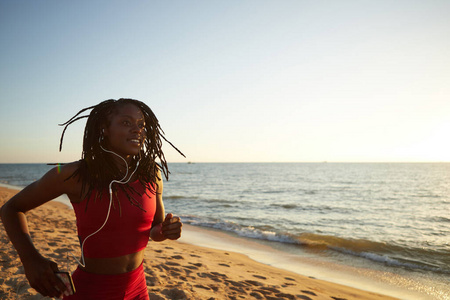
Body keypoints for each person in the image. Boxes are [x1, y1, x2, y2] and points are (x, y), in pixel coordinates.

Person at [0, 98, 185, 299]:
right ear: (104, 129)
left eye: (141, 125)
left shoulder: (152, 175)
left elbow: (154, 230)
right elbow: (11, 208)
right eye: (126, 122)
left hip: (137, 289)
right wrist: (30, 259)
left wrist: (166, 230)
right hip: (90, 291)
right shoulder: (74, 175)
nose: (137, 130)